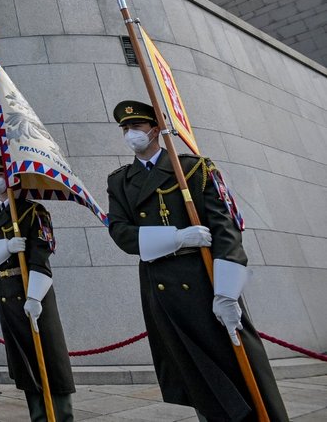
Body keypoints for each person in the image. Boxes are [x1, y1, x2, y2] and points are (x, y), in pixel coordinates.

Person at [106, 100, 288, 421]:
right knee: (200, 384)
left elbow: (227, 230)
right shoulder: (120, 181)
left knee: (242, 377)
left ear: (155, 129)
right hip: (162, 288)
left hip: (207, 284)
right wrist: (177, 237)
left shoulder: (194, 168)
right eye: (125, 129)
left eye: (136, 127)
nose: (131, 134)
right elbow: (122, 234)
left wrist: (228, 293)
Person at [0, 156, 75, 421]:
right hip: (5, 288)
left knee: (49, 356)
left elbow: (42, 252)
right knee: (25, 361)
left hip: (31, 287)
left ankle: (61, 416)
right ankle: (38, 416)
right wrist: (5, 246)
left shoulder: (32, 211)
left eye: (2, 173)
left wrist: (35, 296)